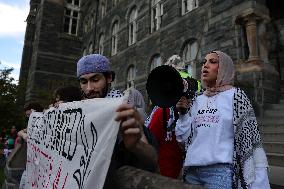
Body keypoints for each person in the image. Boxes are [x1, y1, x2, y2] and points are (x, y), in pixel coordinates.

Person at [175, 51, 270, 189]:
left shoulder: (236, 96)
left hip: (219, 173)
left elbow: (250, 141)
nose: (205, 66)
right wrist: (183, 114)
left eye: (212, 62)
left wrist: (259, 181)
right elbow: (183, 139)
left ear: (225, 67)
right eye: (204, 62)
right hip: (191, 172)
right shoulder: (197, 99)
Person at [77, 54, 157, 188]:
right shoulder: (80, 112)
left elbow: (152, 159)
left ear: (109, 78)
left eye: (95, 80)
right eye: (84, 82)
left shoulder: (123, 111)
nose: (89, 88)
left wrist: (135, 145)